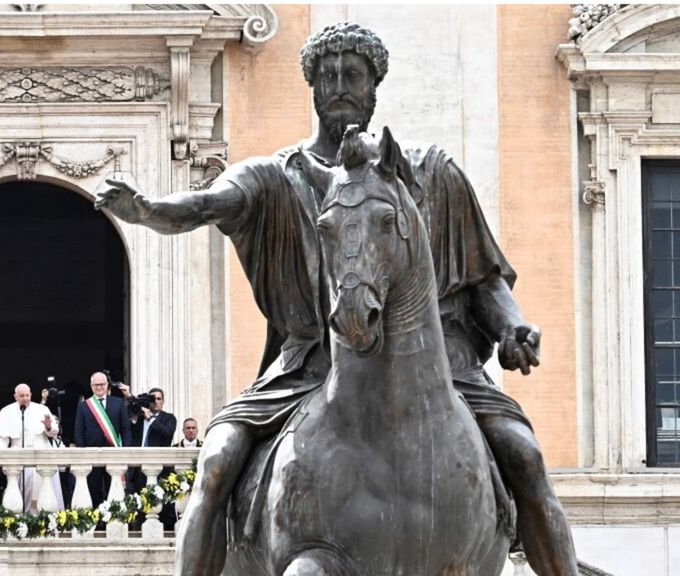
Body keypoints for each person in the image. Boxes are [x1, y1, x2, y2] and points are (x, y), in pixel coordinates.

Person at [98, 22, 576, 576]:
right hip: (310, 363)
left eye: (354, 75)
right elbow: (207, 203)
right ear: (314, 89)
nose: (340, 85)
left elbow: (484, 278)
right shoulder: (278, 176)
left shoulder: (433, 173)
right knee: (216, 461)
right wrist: (150, 210)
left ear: (375, 87)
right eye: (328, 76)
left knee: (526, 458)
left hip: (444, 363)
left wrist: (513, 327)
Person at [0, 384, 63, 512]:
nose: (25, 398)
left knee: (44, 492)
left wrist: (48, 427)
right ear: (15, 396)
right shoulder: (6, 411)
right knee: (19, 494)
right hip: (18, 457)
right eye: (21, 396)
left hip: (40, 455)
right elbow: (2, 439)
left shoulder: (42, 409)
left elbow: (53, 432)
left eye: (27, 395)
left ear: (30, 394)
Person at [74, 371, 132, 506]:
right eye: (96, 385)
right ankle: (96, 522)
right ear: (91, 386)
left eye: (102, 384)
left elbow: (125, 429)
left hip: (114, 454)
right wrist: (83, 454)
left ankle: (114, 522)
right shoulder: (84, 405)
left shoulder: (118, 403)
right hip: (92, 455)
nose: (99, 387)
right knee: (93, 490)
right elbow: (79, 432)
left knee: (114, 490)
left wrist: (125, 450)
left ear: (107, 385)